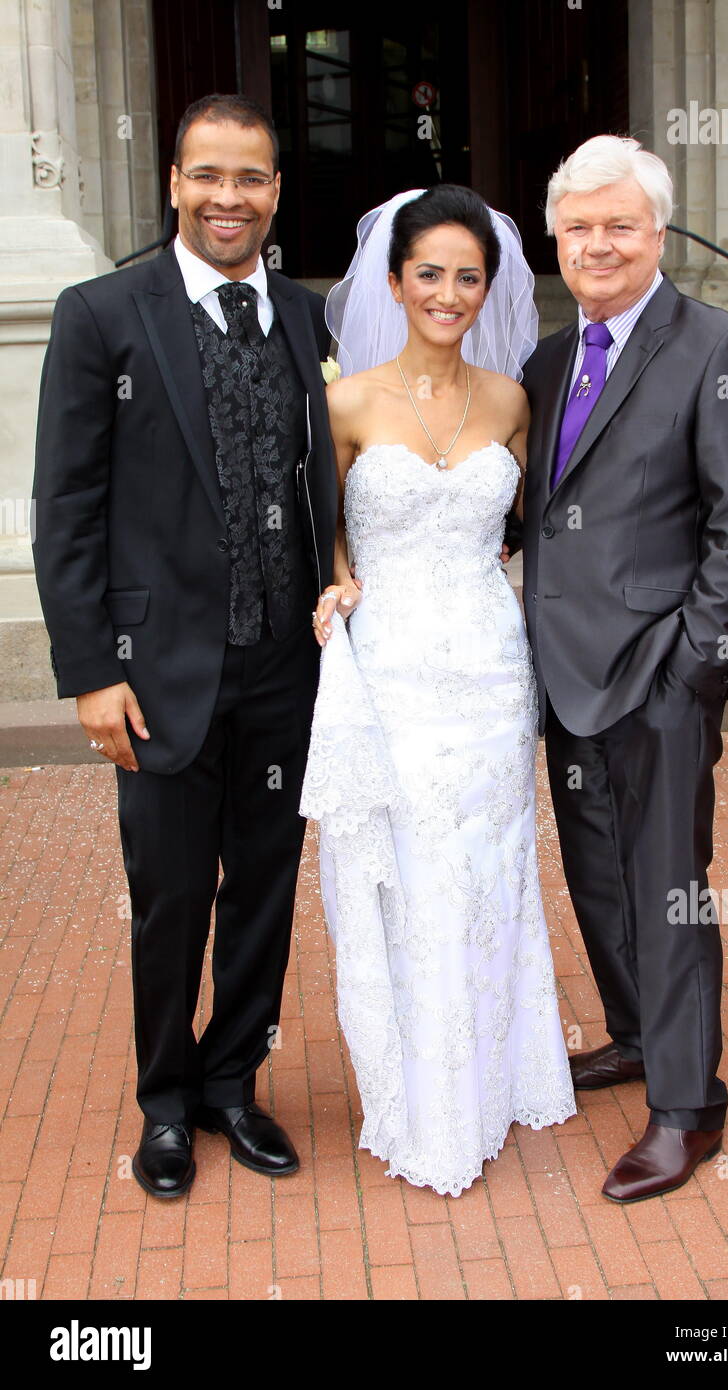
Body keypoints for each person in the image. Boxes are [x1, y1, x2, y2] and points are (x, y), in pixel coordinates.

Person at [32, 94, 338, 1197]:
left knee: (262, 887)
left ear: (272, 193)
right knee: (168, 898)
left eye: (250, 178)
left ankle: (230, 1085)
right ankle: (164, 1102)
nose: (228, 197)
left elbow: (324, 478)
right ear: (172, 181)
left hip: (284, 671)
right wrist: (91, 671)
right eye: (208, 175)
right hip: (157, 675)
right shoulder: (102, 313)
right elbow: (64, 503)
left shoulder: (307, 318)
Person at [520, 135, 728, 1202]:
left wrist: (691, 670)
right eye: (577, 226)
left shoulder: (715, 344)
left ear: (656, 233)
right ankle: (634, 1034)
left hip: (659, 678)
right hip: (560, 677)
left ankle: (686, 1108)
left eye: (617, 225)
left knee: (667, 888)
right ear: (555, 237)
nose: (597, 244)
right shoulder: (546, 360)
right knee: (595, 879)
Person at [299, 186, 576, 1198]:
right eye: (430, 274)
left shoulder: (509, 400)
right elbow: (321, 525)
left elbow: (532, 528)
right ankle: (420, 1089)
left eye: (467, 277)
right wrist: (336, 579)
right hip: (394, 673)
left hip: (493, 675)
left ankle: (497, 1070)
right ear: (392, 281)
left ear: (488, 288)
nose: (448, 293)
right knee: (408, 875)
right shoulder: (342, 402)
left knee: (490, 865)